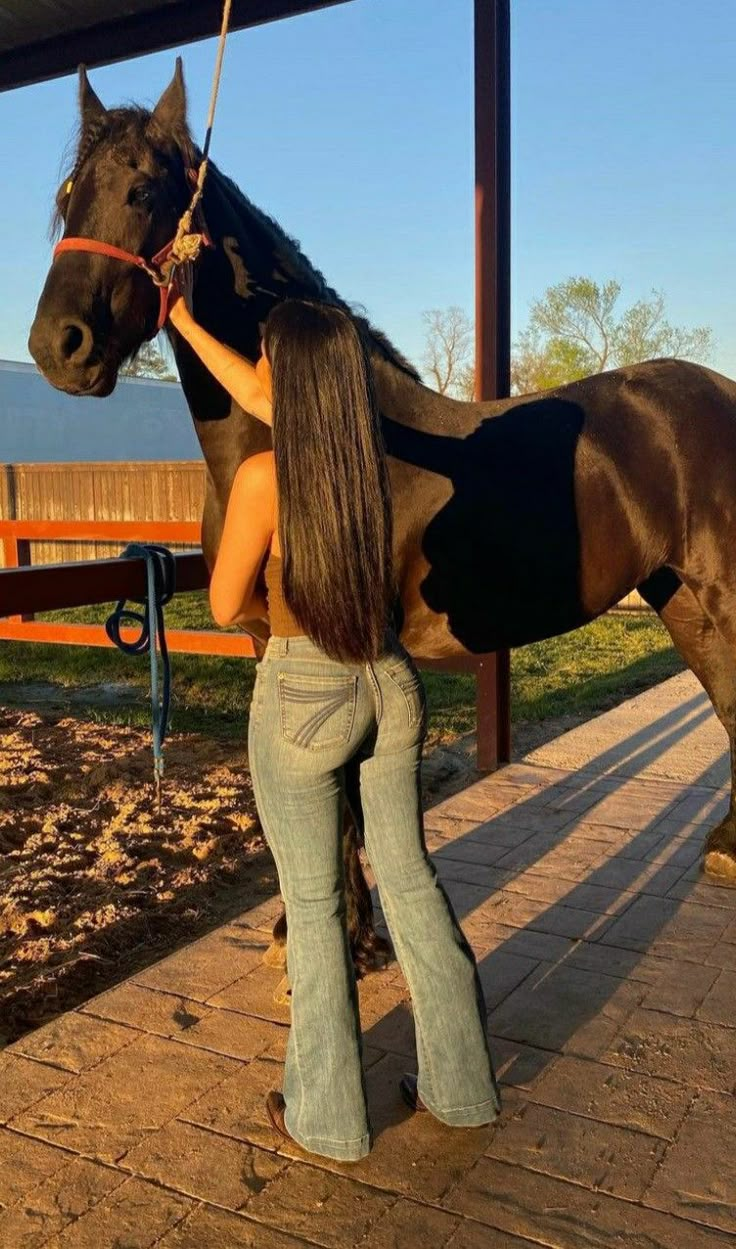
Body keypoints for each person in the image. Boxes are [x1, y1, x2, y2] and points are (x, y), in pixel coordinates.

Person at [168, 288, 500, 1163]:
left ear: (293, 380)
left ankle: (325, 1116)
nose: (262, 371)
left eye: (271, 358)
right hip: (391, 684)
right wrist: (186, 321)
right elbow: (261, 394)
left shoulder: (263, 479)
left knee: (314, 906)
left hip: (304, 693)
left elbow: (223, 598)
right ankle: (462, 1086)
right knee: (410, 877)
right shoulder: (368, 462)